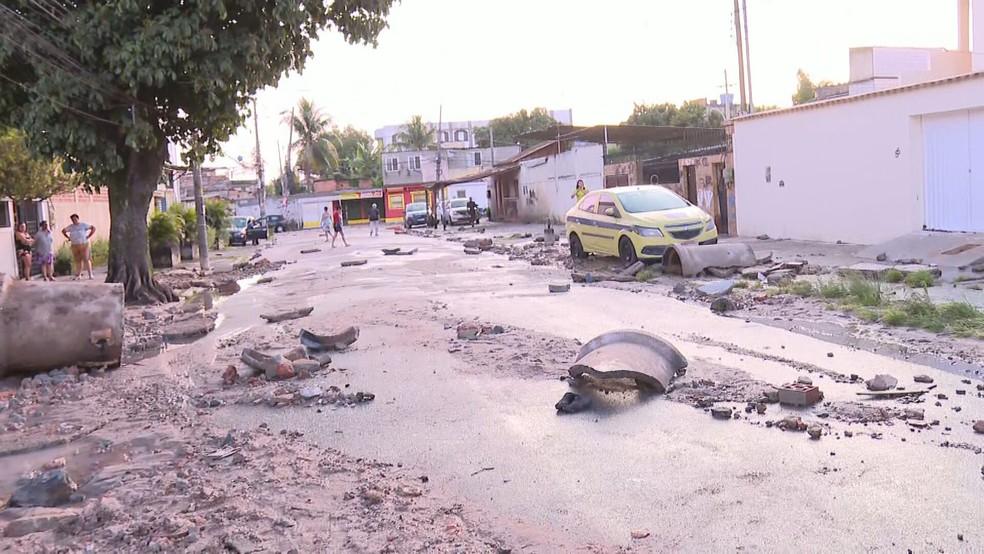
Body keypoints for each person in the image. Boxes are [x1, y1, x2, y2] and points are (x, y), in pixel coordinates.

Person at [62, 214, 95, 280]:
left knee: (86, 259)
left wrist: (88, 236)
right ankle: (79, 274)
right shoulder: (71, 227)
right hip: (75, 245)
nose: (74, 220)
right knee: (78, 260)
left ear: (78, 219)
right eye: (73, 219)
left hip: (84, 244)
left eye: (75, 219)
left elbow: (93, 228)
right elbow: (63, 231)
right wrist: (68, 237)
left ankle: (90, 274)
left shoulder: (83, 225)